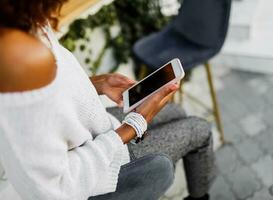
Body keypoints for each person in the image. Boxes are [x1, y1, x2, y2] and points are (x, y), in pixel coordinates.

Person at [0, 1, 214, 200]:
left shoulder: (25, 21)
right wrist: (134, 126)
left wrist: (97, 83)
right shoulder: (20, 57)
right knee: (200, 130)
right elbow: (54, 189)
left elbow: (50, 101)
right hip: (99, 169)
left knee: (177, 112)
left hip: (97, 131)